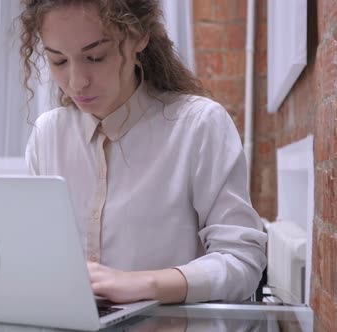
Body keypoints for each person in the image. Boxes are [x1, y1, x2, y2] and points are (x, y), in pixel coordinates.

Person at [19, 0, 267, 304]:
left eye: (95, 57)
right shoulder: (48, 135)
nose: (76, 82)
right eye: (58, 61)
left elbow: (243, 261)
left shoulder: (198, 125)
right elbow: (36, 255)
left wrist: (147, 284)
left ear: (140, 36)